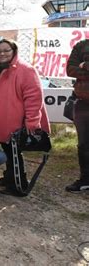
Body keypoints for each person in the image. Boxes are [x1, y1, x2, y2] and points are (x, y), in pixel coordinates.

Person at [0, 38, 50, 196]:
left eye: (7, 50)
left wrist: (32, 122)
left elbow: (34, 98)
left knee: (14, 153)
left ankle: (18, 186)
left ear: (14, 51)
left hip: (16, 121)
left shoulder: (26, 70)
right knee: (7, 150)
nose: (2, 54)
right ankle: (9, 177)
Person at [65, 39, 89, 192]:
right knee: (84, 144)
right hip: (82, 103)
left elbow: (78, 69)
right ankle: (86, 179)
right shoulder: (81, 45)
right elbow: (70, 70)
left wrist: (85, 65)